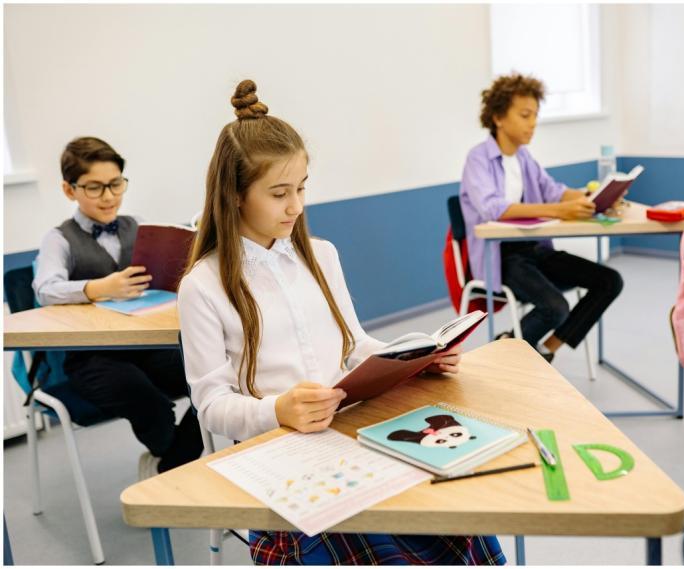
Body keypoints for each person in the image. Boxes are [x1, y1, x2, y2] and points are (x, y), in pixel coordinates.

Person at [177, 79, 504, 565]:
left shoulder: (321, 256)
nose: (297, 206)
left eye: (302, 188)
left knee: (463, 520)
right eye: (279, 193)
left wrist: (414, 359)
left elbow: (353, 347)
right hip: (285, 462)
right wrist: (278, 410)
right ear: (236, 195)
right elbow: (211, 405)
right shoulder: (203, 285)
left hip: (356, 436)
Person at [33, 136, 202, 479]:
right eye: (94, 187)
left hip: (146, 344)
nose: (109, 196)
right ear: (70, 190)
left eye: (115, 184)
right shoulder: (59, 238)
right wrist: (98, 288)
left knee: (210, 379)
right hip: (92, 356)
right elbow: (45, 290)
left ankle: (168, 466)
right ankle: (174, 467)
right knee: (149, 403)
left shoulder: (136, 225)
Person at [459, 73, 623, 362]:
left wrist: (595, 196)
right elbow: (491, 208)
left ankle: (547, 350)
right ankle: (504, 349)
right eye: (525, 115)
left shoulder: (524, 158)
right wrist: (558, 211)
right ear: (498, 117)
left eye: (535, 114)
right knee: (556, 307)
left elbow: (554, 191)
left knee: (609, 281)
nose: (533, 122)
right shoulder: (478, 159)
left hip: (536, 250)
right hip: (502, 257)